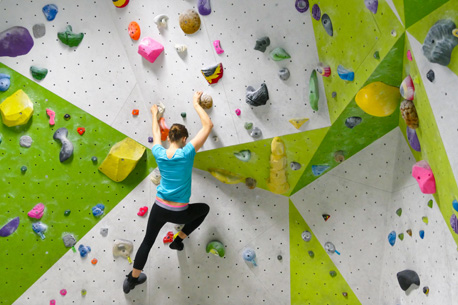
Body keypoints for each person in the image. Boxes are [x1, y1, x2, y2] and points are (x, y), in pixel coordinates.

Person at [123, 91, 213, 294]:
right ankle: (178, 240)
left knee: (148, 240)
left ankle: (132, 279)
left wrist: (154, 114)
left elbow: (156, 133)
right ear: (183, 139)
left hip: (159, 207)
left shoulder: (159, 152)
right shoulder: (187, 152)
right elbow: (208, 126)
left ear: (169, 138)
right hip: (180, 212)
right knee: (204, 209)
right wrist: (196, 104)